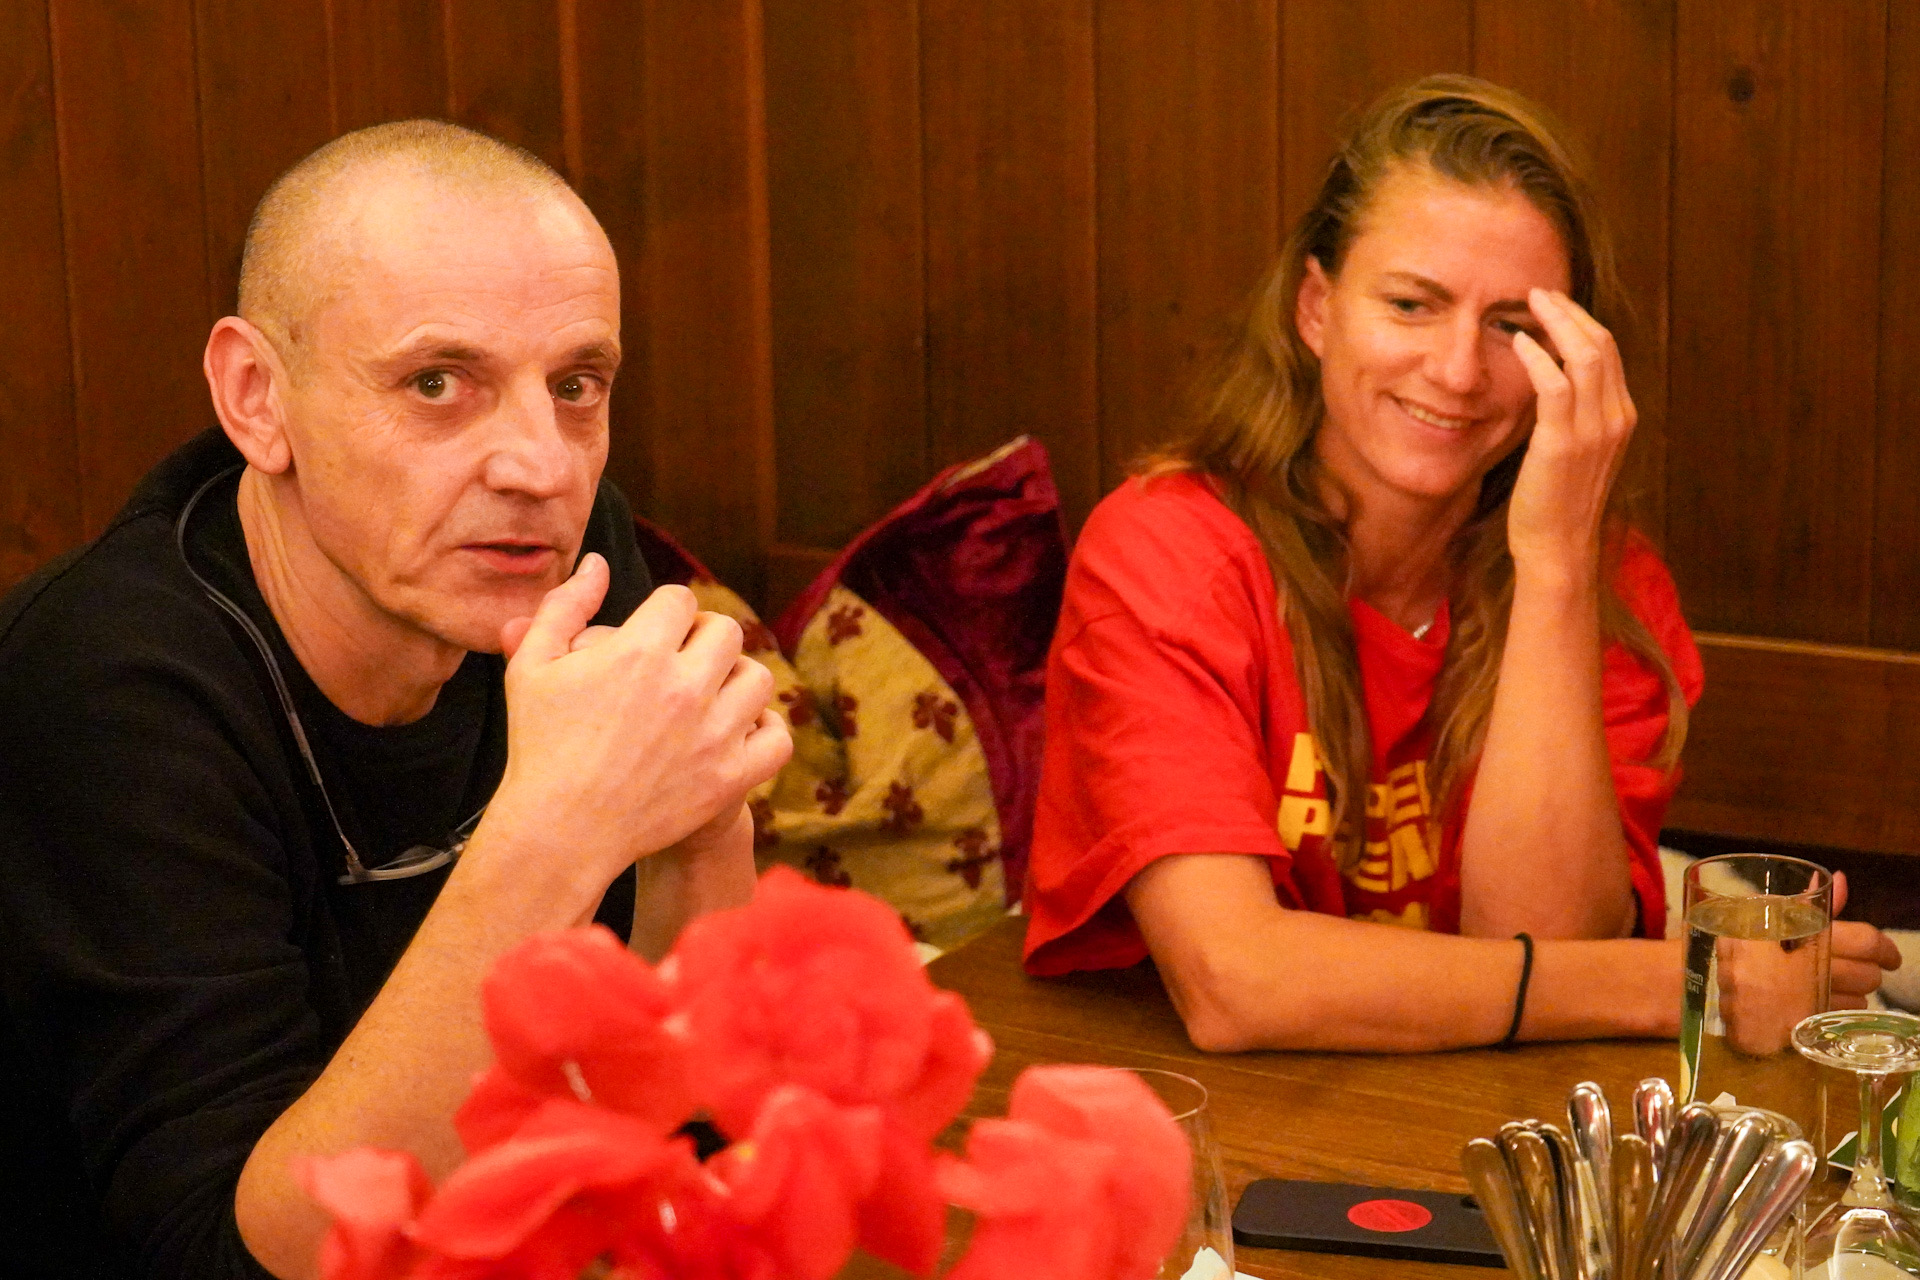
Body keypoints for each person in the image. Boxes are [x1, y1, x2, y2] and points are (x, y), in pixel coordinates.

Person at [0, 121, 791, 1279]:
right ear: (257, 397)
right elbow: (239, 1255)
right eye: (437, 383)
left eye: (577, 385)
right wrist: (555, 831)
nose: (543, 467)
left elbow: (684, 1124)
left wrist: (702, 826)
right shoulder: (107, 682)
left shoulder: (562, 559)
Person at [1021, 76, 1899, 1052]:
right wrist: (1684, 981)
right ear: (1316, 308)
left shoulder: (1602, 577)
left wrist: (1554, 562)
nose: (1457, 370)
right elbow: (1236, 983)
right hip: (1209, 1112)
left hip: (1480, 1113)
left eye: (1512, 327)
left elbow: (1548, 941)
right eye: (1411, 304)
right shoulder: (1164, 550)